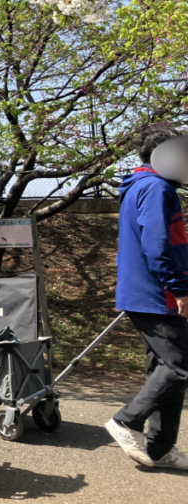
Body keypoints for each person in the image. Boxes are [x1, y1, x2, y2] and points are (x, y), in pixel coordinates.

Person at [105, 124, 188, 471]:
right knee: (178, 367)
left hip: (149, 292)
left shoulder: (145, 186)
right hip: (156, 294)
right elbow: (157, 245)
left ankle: (159, 448)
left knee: (166, 367)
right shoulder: (154, 188)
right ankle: (126, 421)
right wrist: (179, 288)